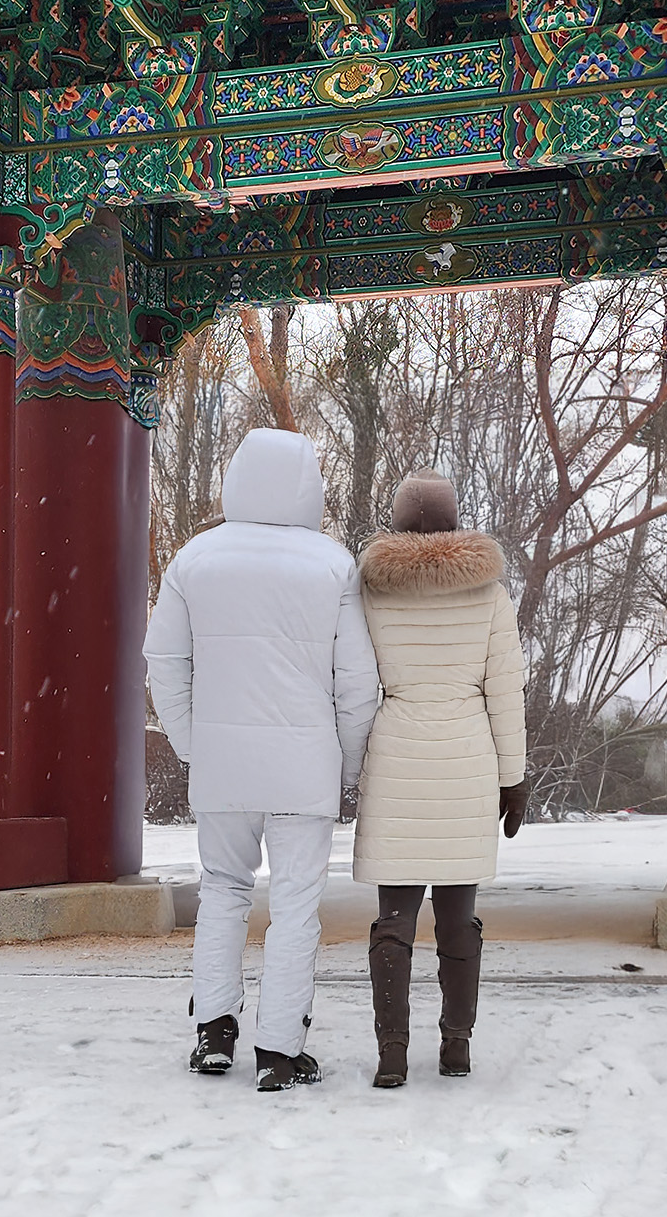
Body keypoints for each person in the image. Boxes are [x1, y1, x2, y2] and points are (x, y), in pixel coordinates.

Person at [145, 428, 378, 1093]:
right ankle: (279, 1050)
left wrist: (195, 745)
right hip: (305, 765)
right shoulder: (334, 565)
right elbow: (357, 683)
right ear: (309, 487)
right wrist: (348, 766)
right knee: (296, 906)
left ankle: (213, 1031)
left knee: (222, 888)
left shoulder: (195, 560)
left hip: (223, 764)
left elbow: (164, 661)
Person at [353, 468, 527, 1088]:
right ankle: (456, 1045)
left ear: (397, 524)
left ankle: (392, 1052)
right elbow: (504, 693)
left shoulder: (371, 592)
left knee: (394, 921)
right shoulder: (489, 595)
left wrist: (349, 765)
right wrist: (513, 778)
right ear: (455, 523)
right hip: (466, 761)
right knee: (458, 919)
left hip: (396, 761)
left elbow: (354, 684)